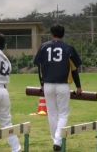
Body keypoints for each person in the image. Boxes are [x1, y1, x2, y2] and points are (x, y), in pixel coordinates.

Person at [34, 24, 82, 152]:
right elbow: (74, 69)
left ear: (51, 33)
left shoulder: (44, 47)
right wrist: (78, 86)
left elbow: (39, 67)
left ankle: (55, 140)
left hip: (48, 85)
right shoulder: (68, 48)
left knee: (52, 114)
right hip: (62, 85)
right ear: (63, 34)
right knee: (63, 114)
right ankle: (57, 140)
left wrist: (42, 83)